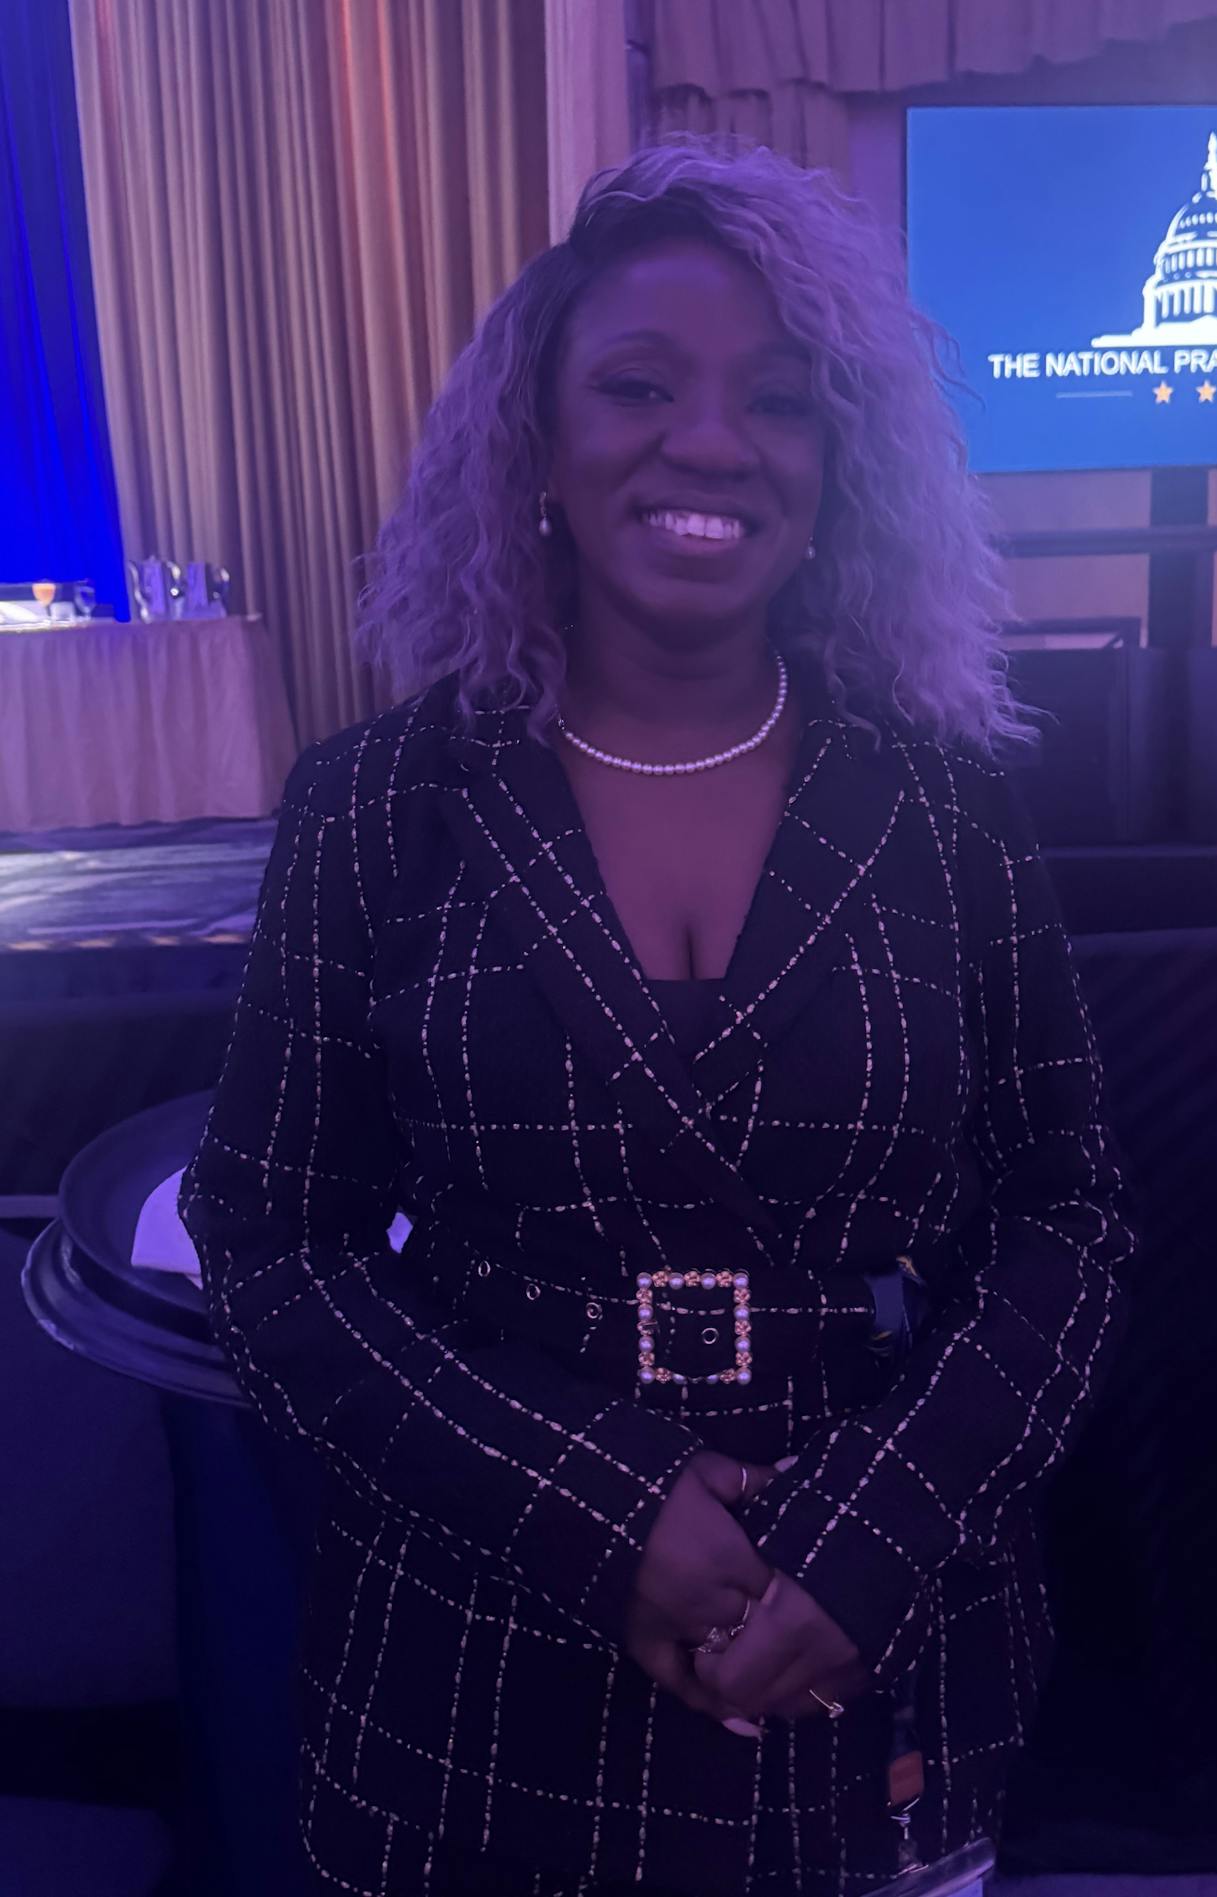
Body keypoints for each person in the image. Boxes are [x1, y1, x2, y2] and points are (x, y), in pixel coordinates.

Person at [182, 138, 1133, 1897]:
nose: (710, 442)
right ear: (535, 442)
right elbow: (269, 1242)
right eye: (639, 386)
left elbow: (1067, 1215)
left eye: (778, 401)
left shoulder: (949, 807)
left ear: (838, 465)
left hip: (878, 1661)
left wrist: (869, 1543)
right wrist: (603, 1513)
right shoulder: (372, 804)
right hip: (476, 1671)